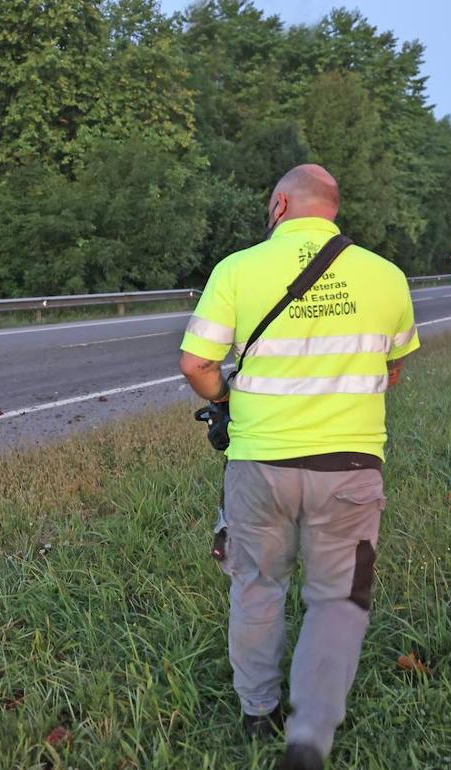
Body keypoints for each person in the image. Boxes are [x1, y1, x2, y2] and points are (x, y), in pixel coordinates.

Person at [179, 165, 419, 770]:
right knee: (338, 598)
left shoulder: (237, 269)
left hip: (259, 464)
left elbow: (196, 365)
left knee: (257, 584)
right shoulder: (387, 277)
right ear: (333, 209)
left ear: (281, 203)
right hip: (351, 465)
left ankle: (258, 711)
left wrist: (229, 402)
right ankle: (309, 734)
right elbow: (391, 370)